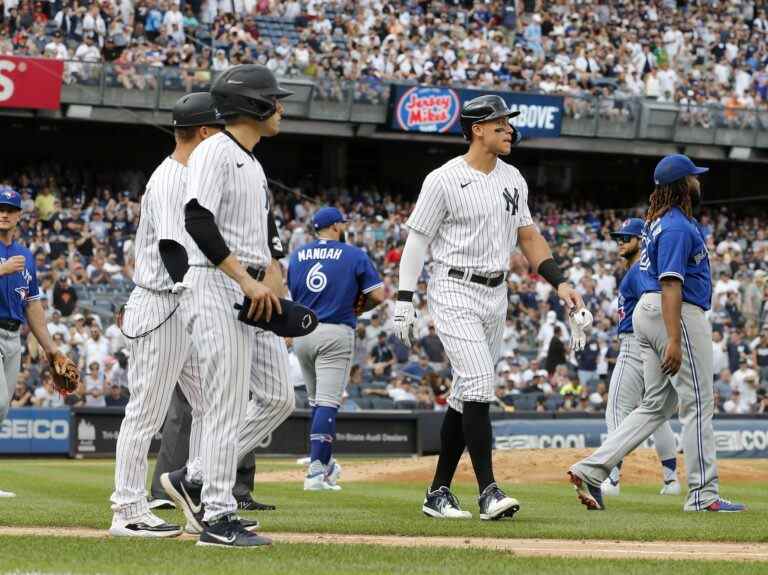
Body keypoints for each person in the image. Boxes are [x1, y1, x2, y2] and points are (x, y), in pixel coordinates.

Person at [393, 95, 587, 520]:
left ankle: (437, 492)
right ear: (477, 129)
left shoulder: (513, 178)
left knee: (466, 394)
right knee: (480, 381)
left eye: (508, 124)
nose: (509, 130)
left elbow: (529, 236)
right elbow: (417, 241)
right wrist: (404, 300)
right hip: (453, 287)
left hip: (495, 293)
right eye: (500, 124)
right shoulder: (443, 179)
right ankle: (489, 492)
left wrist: (562, 281)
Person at [159, 65, 293, 549]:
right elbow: (197, 219)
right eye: (274, 99)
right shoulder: (216, 149)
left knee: (279, 397)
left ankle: (194, 476)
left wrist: (268, 286)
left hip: (250, 289)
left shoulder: (251, 160)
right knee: (224, 405)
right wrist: (243, 279)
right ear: (253, 104)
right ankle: (216, 517)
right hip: (215, 284)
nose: (281, 106)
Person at [568, 154, 746, 512]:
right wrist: (675, 338)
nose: (698, 182)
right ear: (682, 186)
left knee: (655, 405)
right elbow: (670, 283)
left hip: (647, 314)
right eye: (693, 178)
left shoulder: (659, 222)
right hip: (674, 312)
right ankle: (703, 495)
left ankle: (591, 468)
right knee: (698, 402)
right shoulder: (678, 225)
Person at [109, 92, 224, 539]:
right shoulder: (174, 178)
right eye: (217, 130)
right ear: (202, 132)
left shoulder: (188, 172)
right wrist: (201, 301)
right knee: (145, 414)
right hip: (162, 304)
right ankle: (127, 510)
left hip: (178, 305)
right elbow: (174, 251)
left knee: (213, 404)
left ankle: (196, 492)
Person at [287, 206, 385, 490]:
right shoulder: (353, 253)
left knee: (318, 403)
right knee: (328, 403)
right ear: (335, 227)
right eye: (343, 223)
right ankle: (316, 473)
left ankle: (325, 466)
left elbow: (294, 293)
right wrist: (359, 307)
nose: (345, 227)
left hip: (303, 333)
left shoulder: (298, 254)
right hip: (334, 331)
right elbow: (377, 294)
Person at [599, 218, 679, 497]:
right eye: (619, 238)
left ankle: (612, 479)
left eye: (627, 237)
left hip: (635, 344)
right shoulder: (638, 269)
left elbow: (654, 300)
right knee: (657, 414)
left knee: (616, 410)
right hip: (651, 345)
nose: (621, 242)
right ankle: (671, 480)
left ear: (641, 240)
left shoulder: (638, 270)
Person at [0, 189, 68, 498]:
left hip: (13, 336)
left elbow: (33, 306)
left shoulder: (25, 255)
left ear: (19, 215)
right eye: (0, 208)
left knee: (3, 411)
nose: (4, 213)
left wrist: (51, 348)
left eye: (10, 209)